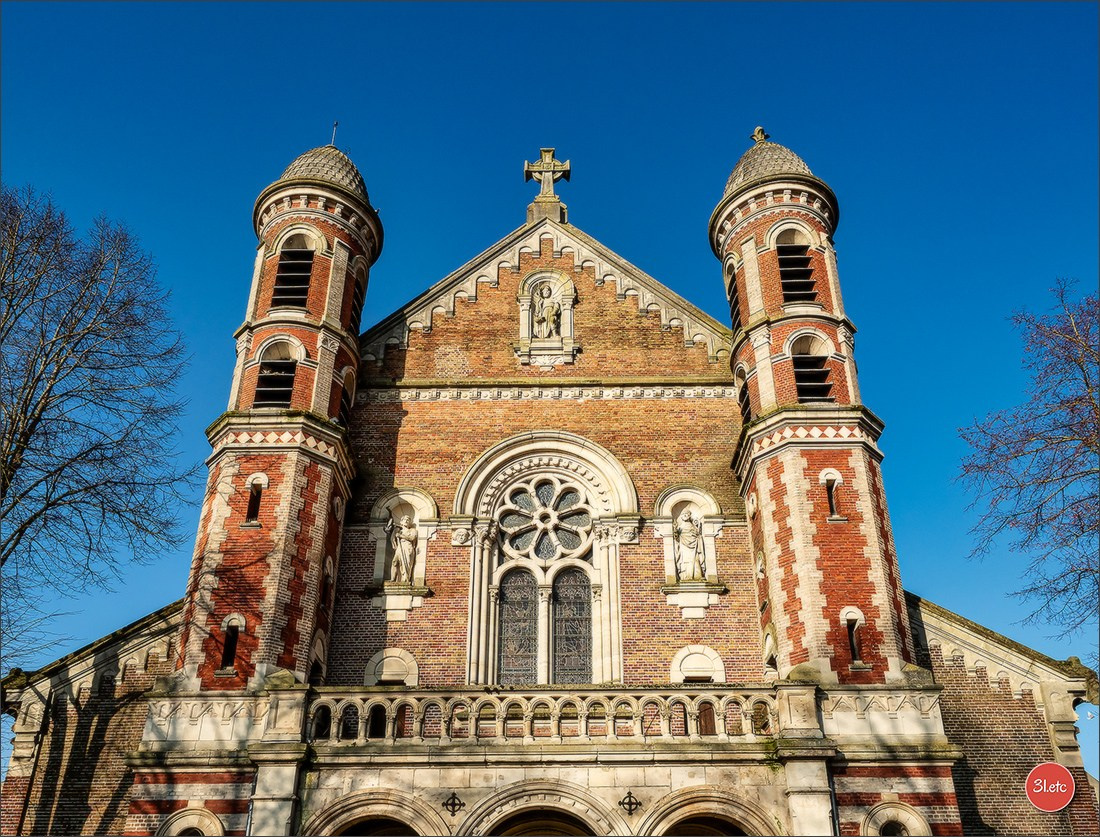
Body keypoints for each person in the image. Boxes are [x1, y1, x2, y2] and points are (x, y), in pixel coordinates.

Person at [674, 509, 705, 581]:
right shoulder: (680, 527)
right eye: (683, 514)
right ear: (681, 517)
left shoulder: (693, 526)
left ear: (689, 515)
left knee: (695, 560)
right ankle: (685, 576)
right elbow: (676, 538)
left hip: (694, 547)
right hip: (683, 547)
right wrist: (675, 529)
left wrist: (698, 527)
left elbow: (698, 535)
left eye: (686, 514)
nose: (684, 515)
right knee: (685, 560)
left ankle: (697, 575)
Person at [385, 514, 417, 583]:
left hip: (407, 547)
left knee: (406, 563)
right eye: (404, 519)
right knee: (395, 562)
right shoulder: (398, 530)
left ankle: (405, 579)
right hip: (400, 547)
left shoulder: (412, 530)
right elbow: (392, 538)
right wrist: (395, 541)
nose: (406, 521)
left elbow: (412, 538)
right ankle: (393, 578)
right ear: (401, 522)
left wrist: (401, 536)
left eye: (408, 520)